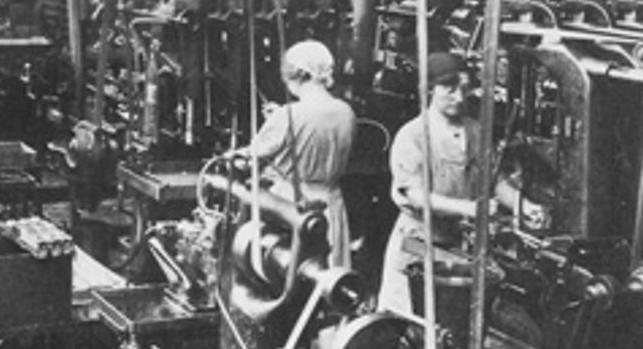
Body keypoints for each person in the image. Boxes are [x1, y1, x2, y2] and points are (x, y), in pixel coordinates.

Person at [377, 51, 548, 314]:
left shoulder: (476, 131)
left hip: (459, 248)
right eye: (449, 89)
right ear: (429, 89)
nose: (459, 97)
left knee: (453, 323)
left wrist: (522, 205)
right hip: (419, 244)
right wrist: (469, 209)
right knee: (408, 321)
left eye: (464, 89)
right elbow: (415, 196)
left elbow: (493, 181)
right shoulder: (413, 136)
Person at [235, 40, 357, 267]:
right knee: (328, 271)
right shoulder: (346, 111)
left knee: (291, 270)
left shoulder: (289, 115)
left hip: (292, 204)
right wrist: (280, 117)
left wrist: (234, 154)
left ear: (298, 74)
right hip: (330, 202)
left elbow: (254, 153)